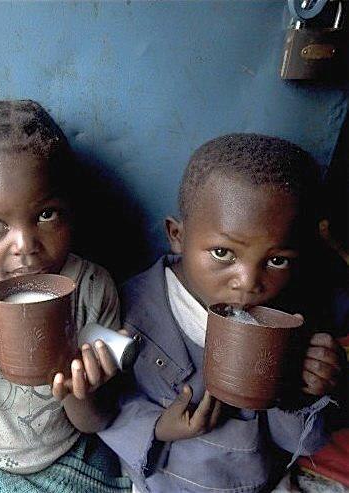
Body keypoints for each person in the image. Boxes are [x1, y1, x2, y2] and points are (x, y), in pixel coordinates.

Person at [100, 133, 344, 493]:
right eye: (223, 253)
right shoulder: (132, 306)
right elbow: (104, 409)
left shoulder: (289, 320)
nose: (248, 283)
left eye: (277, 261)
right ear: (177, 235)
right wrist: (157, 426)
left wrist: (303, 395)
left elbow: (301, 445)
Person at [0, 100, 131, 492]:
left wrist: (78, 387)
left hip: (66, 458)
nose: (24, 245)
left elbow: (95, 422)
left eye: (46, 215)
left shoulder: (92, 287)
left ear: (70, 204)